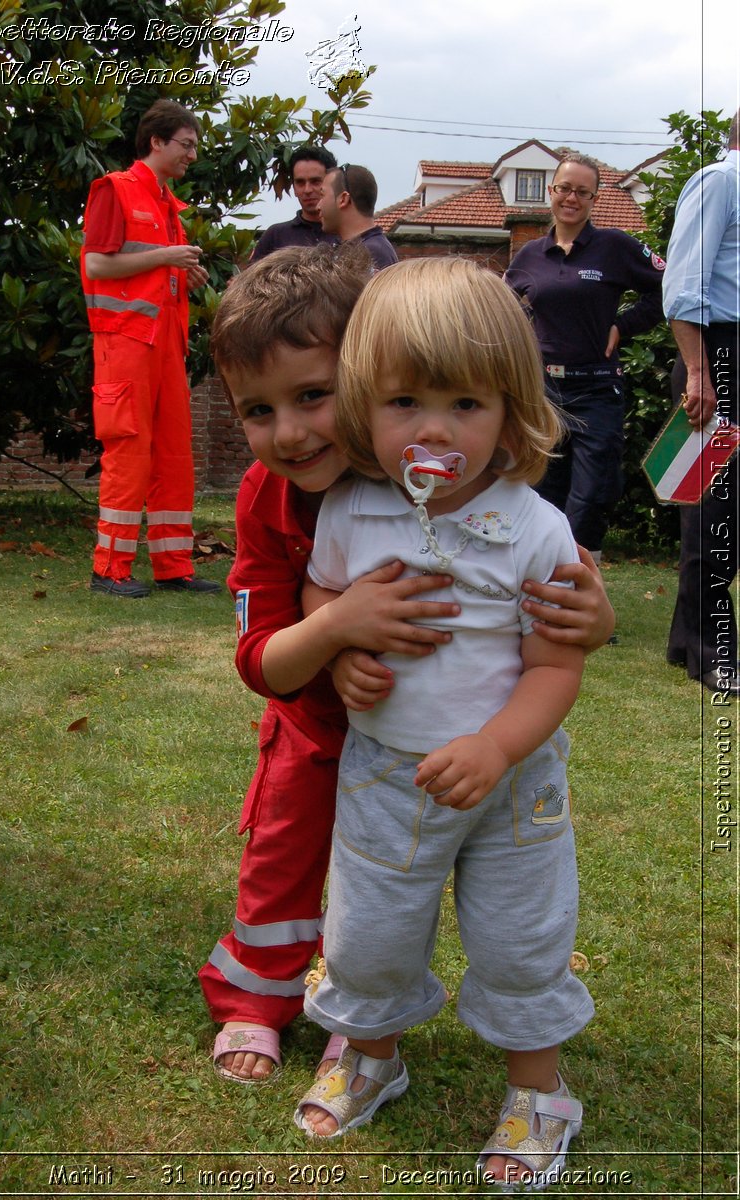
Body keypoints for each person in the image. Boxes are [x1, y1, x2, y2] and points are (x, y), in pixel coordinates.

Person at [199, 246, 614, 1088]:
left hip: (453, 747)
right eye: (259, 410)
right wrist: (341, 636)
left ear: (358, 378)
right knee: (293, 862)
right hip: (321, 725)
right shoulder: (276, 497)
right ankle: (257, 999)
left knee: (439, 902)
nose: (291, 432)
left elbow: (548, 614)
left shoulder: (417, 468)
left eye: (314, 396)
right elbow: (269, 650)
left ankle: (392, 1039)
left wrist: (591, 619)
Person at [295, 259, 592, 1193]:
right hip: (386, 772)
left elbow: (556, 661)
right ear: (361, 410)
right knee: (370, 928)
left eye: (466, 403)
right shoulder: (350, 509)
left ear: (511, 411)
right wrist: (339, 651)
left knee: (521, 937)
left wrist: (499, 744)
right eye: (405, 402)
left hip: (513, 783)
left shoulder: (535, 526)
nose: (432, 429)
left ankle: (539, 1094)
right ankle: (370, 1054)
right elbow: (323, 594)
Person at [81, 99, 219, 598]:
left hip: (165, 346)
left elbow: (145, 267)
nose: (192, 155)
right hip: (125, 345)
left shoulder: (166, 204)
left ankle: (173, 567)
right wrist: (167, 257)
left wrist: (179, 268)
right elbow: (97, 266)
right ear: (156, 142)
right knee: (129, 451)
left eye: (195, 146)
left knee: (173, 456)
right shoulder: (114, 191)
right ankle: (109, 570)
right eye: (186, 145)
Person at [505, 153, 665, 560]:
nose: (571, 198)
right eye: (564, 189)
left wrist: (623, 326)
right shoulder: (529, 256)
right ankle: (540, 593)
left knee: (592, 495)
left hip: (596, 387)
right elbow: (499, 311)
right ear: (550, 192)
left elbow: (668, 287)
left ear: (594, 199)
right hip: (544, 391)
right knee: (542, 493)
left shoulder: (614, 247)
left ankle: (581, 596)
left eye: (582, 191)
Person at [663, 111, 740, 696]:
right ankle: (713, 651)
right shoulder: (721, 181)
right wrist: (699, 371)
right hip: (720, 358)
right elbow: (684, 285)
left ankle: (685, 638)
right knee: (715, 510)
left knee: (724, 513)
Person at [250, 146, 339, 260]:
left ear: (332, 184)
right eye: (300, 182)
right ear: (293, 187)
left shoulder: (350, 235)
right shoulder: (275, 236)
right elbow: (253, 277)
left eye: (315, 181)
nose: (307, 190)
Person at [318, 164, 398, 270]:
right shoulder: (358, 248)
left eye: (322, 195)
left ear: (343, 199)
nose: (318, 206)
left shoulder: (372, 253)